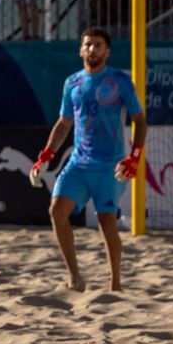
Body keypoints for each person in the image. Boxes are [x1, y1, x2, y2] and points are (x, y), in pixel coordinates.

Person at [30, 27, 146, 293]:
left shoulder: (119, 81)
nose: (92, 49)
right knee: (56, 210)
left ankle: (115, 285)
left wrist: (134, 158)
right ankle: (75, 278)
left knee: (106, 222)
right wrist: (46, 156)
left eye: (98, 45)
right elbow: (64, 123)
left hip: (110, 165)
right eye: (88, 45)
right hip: (79, 162)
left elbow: (140, 120)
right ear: (80, 50)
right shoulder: (72, 83)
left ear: (107, 51)